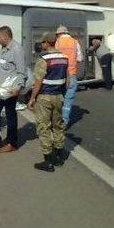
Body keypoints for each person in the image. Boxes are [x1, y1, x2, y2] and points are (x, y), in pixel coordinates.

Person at [28, 32, 68, 172]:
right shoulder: (64, 58)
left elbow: (38, 82)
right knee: (58, 125)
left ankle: (48, 161)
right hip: (59, 96)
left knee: (43, 127)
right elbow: (67, 80)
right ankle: (59, 156)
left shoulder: (43, 59)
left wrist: (32, 98)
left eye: (42, 42)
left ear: (46, 43)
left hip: (44, 97)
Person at [55, 25, 84, 125]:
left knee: (57, 98)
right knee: (68, 100)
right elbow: (80, 58)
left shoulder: (58, 42)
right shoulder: (75, 42)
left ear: (59, 34)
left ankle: (55, 121)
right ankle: (64, 122)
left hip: (59, 75)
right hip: (71, 74)